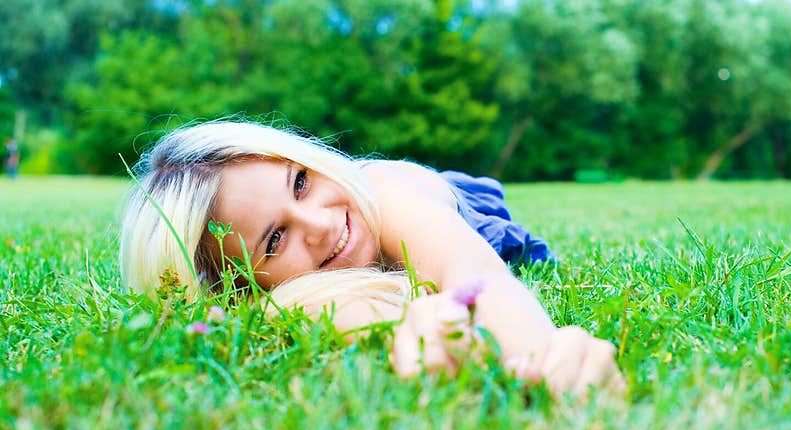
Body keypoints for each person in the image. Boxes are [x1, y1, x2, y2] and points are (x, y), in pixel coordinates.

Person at [120, 120, 624, 397]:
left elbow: (471, 273)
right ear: (240, 284)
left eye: (300, 181)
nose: (319, 225)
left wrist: (543, 362)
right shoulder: (283, 297)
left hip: (455, 203)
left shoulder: (384, 194)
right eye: (274, 241)